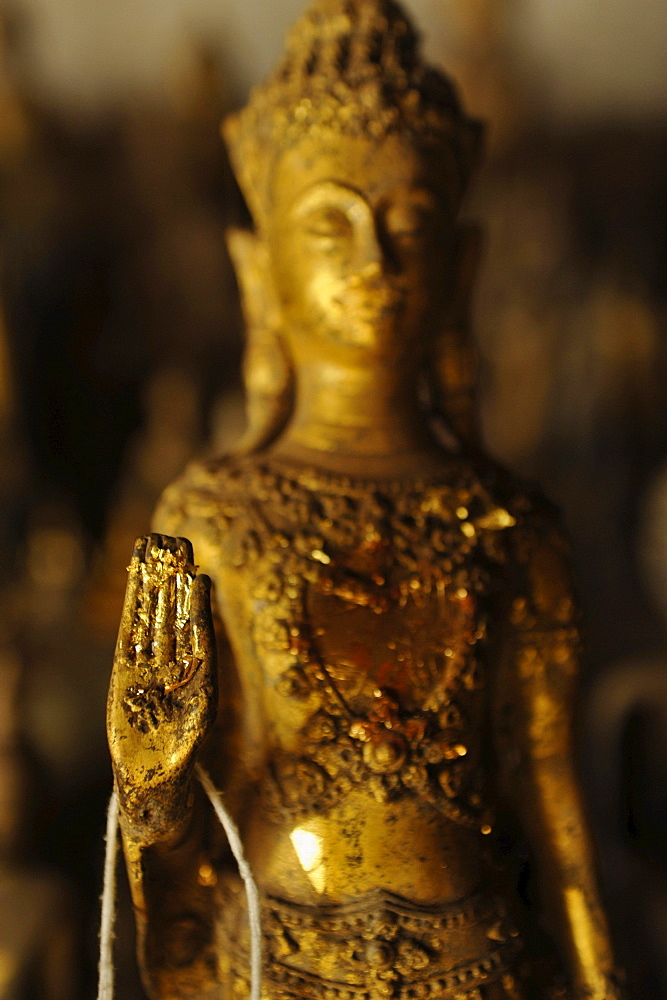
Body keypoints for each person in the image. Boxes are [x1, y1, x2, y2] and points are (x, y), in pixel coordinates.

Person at [107, 1, 623, 996]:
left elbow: (555, 813)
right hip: (277, 968)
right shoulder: (212, 518)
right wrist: (150, 782)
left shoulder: (513, 523)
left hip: (482, 969)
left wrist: (602, 978)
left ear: (458, 266)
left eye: (407, 225)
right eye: (329, 226)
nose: (374, 263)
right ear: (262, 274)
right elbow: (177, 844)